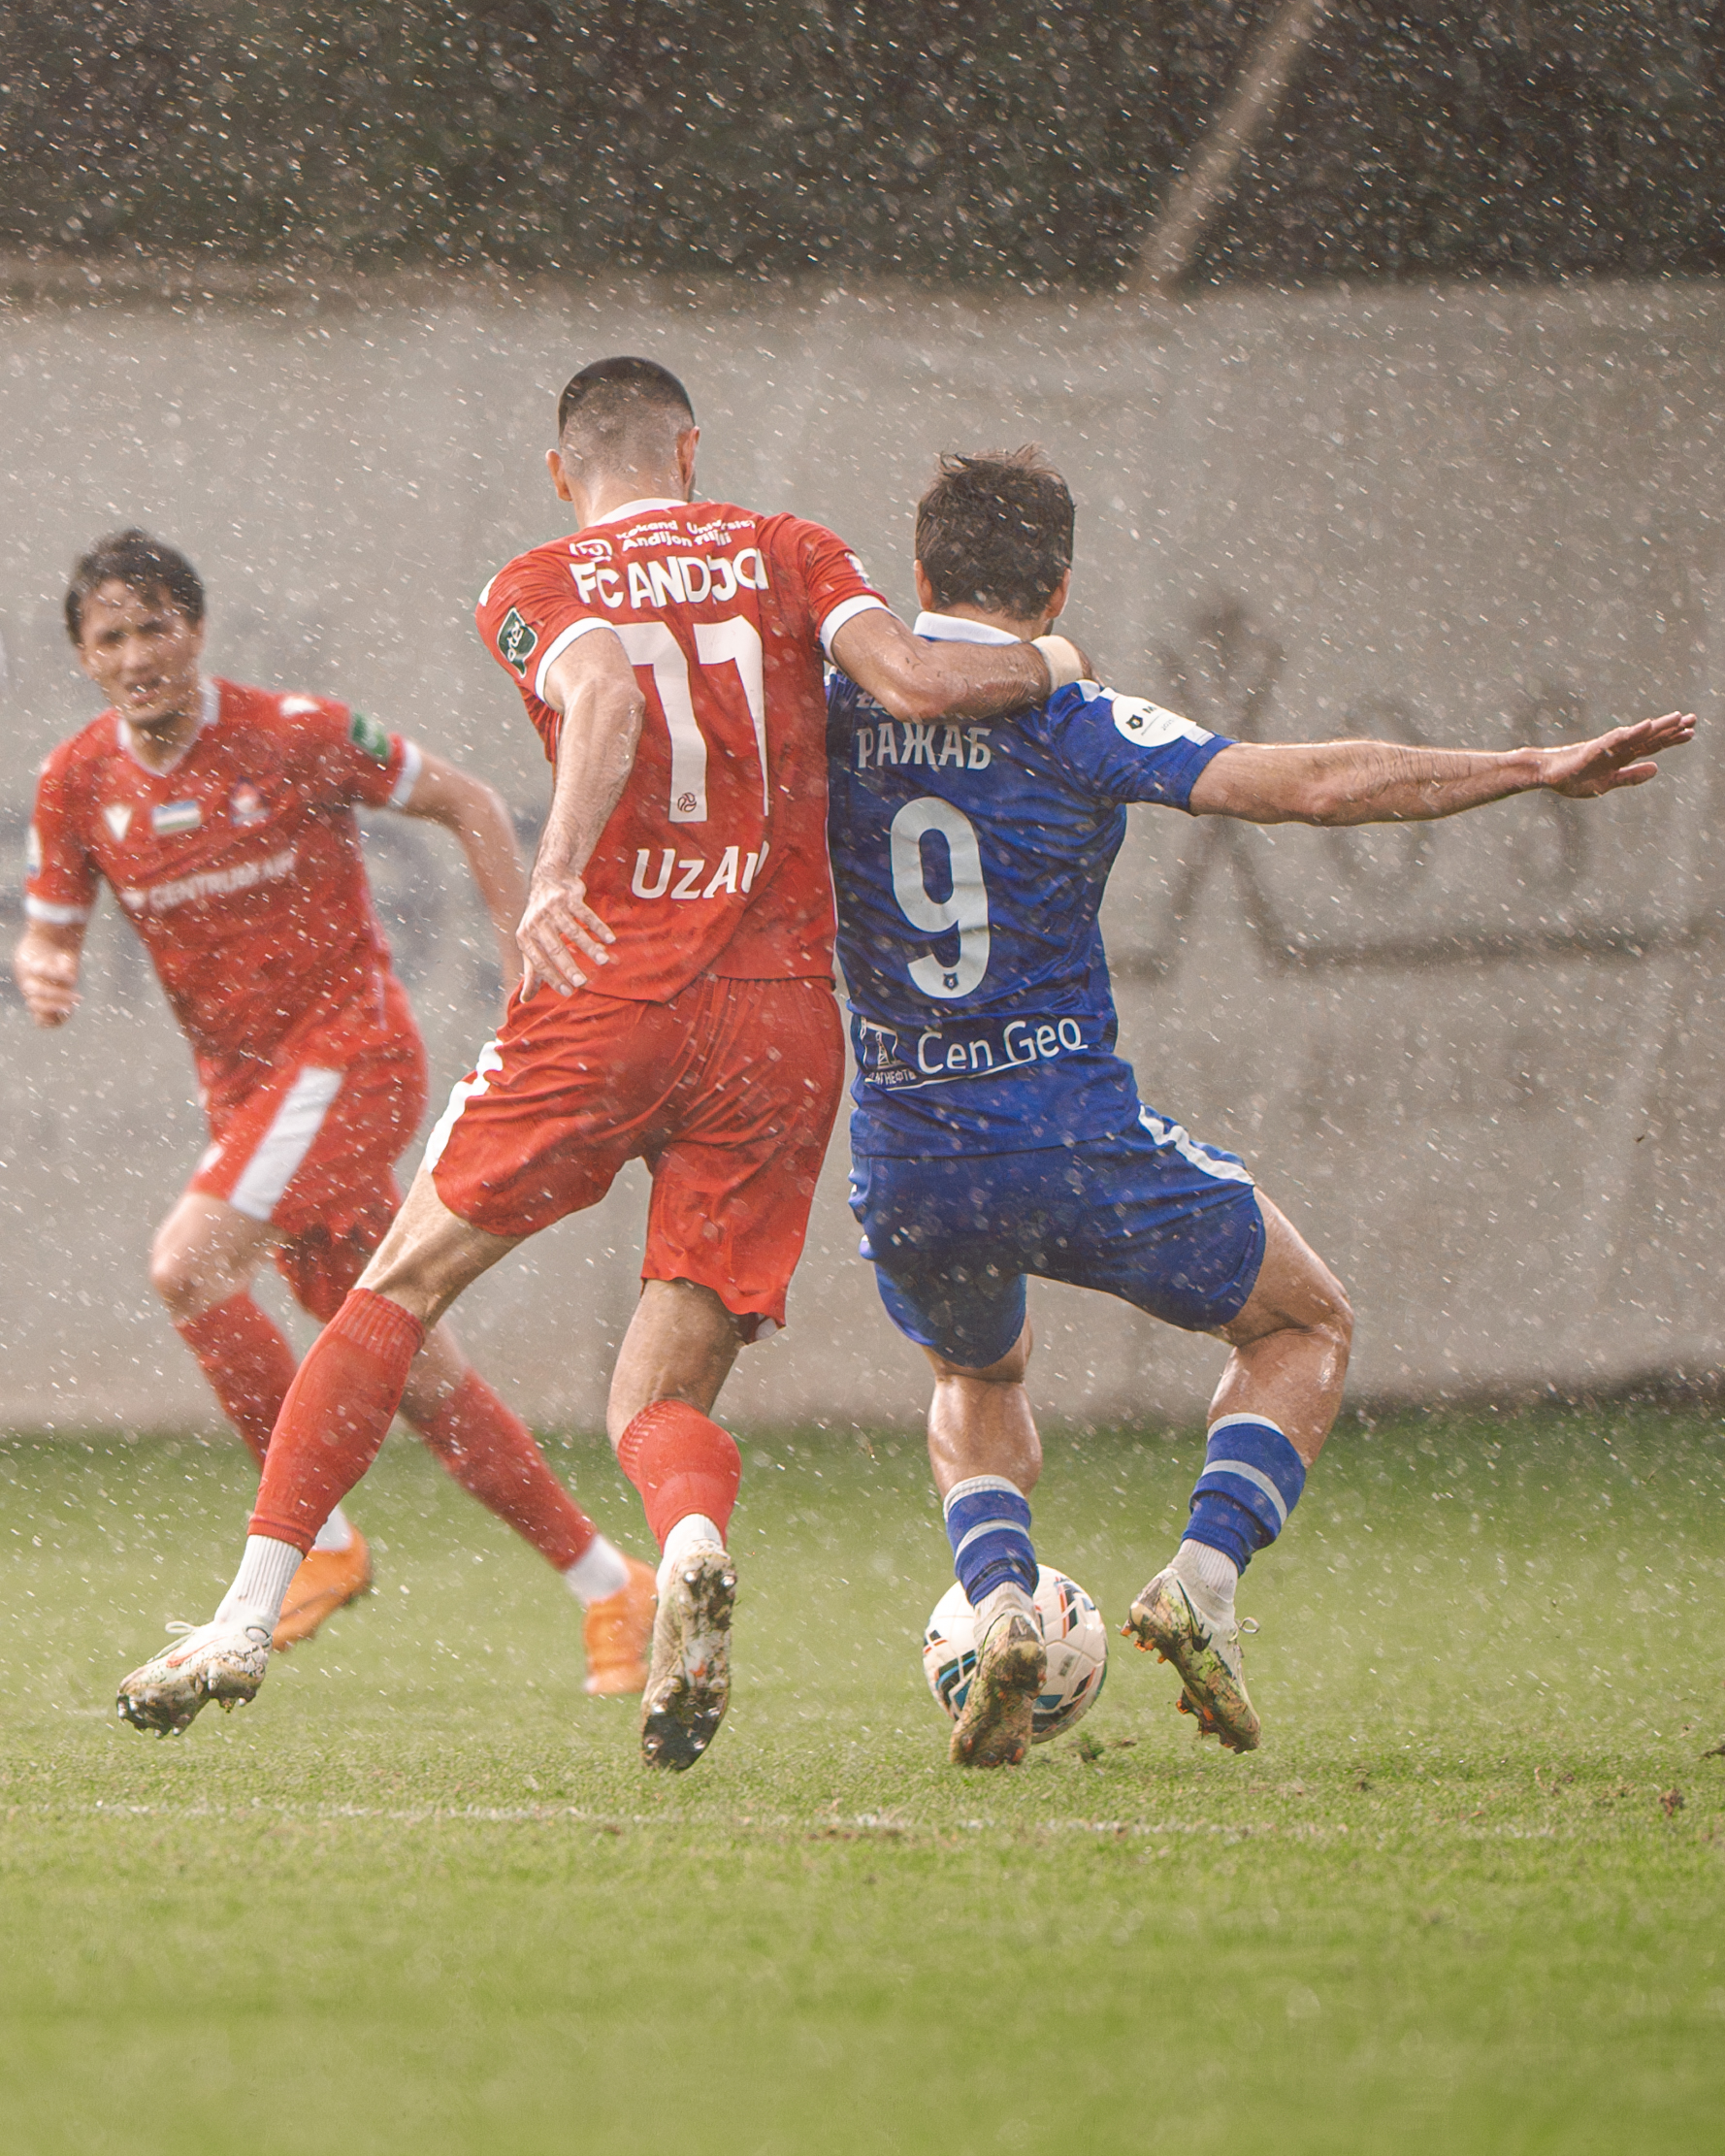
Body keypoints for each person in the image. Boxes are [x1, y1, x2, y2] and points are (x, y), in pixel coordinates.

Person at [114, 361, 1088, 1767]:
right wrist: (1053, 663)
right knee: (659, 1396)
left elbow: (607, 693)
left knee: (396, 1288)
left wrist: (558, 869)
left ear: (561, 468)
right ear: (687, 449)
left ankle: (246, 1615)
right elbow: (916, 682)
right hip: (776, 1022)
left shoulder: (537, 578)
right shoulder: (790, 547)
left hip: (611, 996)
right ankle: (685, 1543)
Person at [825, 447, 1696, 1768]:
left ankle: (999, 1602)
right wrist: (1528, 765)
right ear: (1057, 589)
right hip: (1067, 1135)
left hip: (905, 1152)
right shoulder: (1073, 716)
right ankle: (1201, 1579)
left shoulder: (831, 705)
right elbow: (1312, 785)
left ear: (919, 571)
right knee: (1304, 1319)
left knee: (974, 1372)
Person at [20, 528, 656, 1695]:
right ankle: (610, 1581)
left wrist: (520, 940)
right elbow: (51, 924)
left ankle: (315, 1540)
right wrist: (46, 965)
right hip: (252, 1100)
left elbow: (468, 799)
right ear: (84, 654)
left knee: (187, 1264)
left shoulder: (299, 733)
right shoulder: (77, 782)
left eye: (156, 625)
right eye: (112, 635)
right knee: (413, 1366)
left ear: (195, 630)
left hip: (351, 1058)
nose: (138, 653)